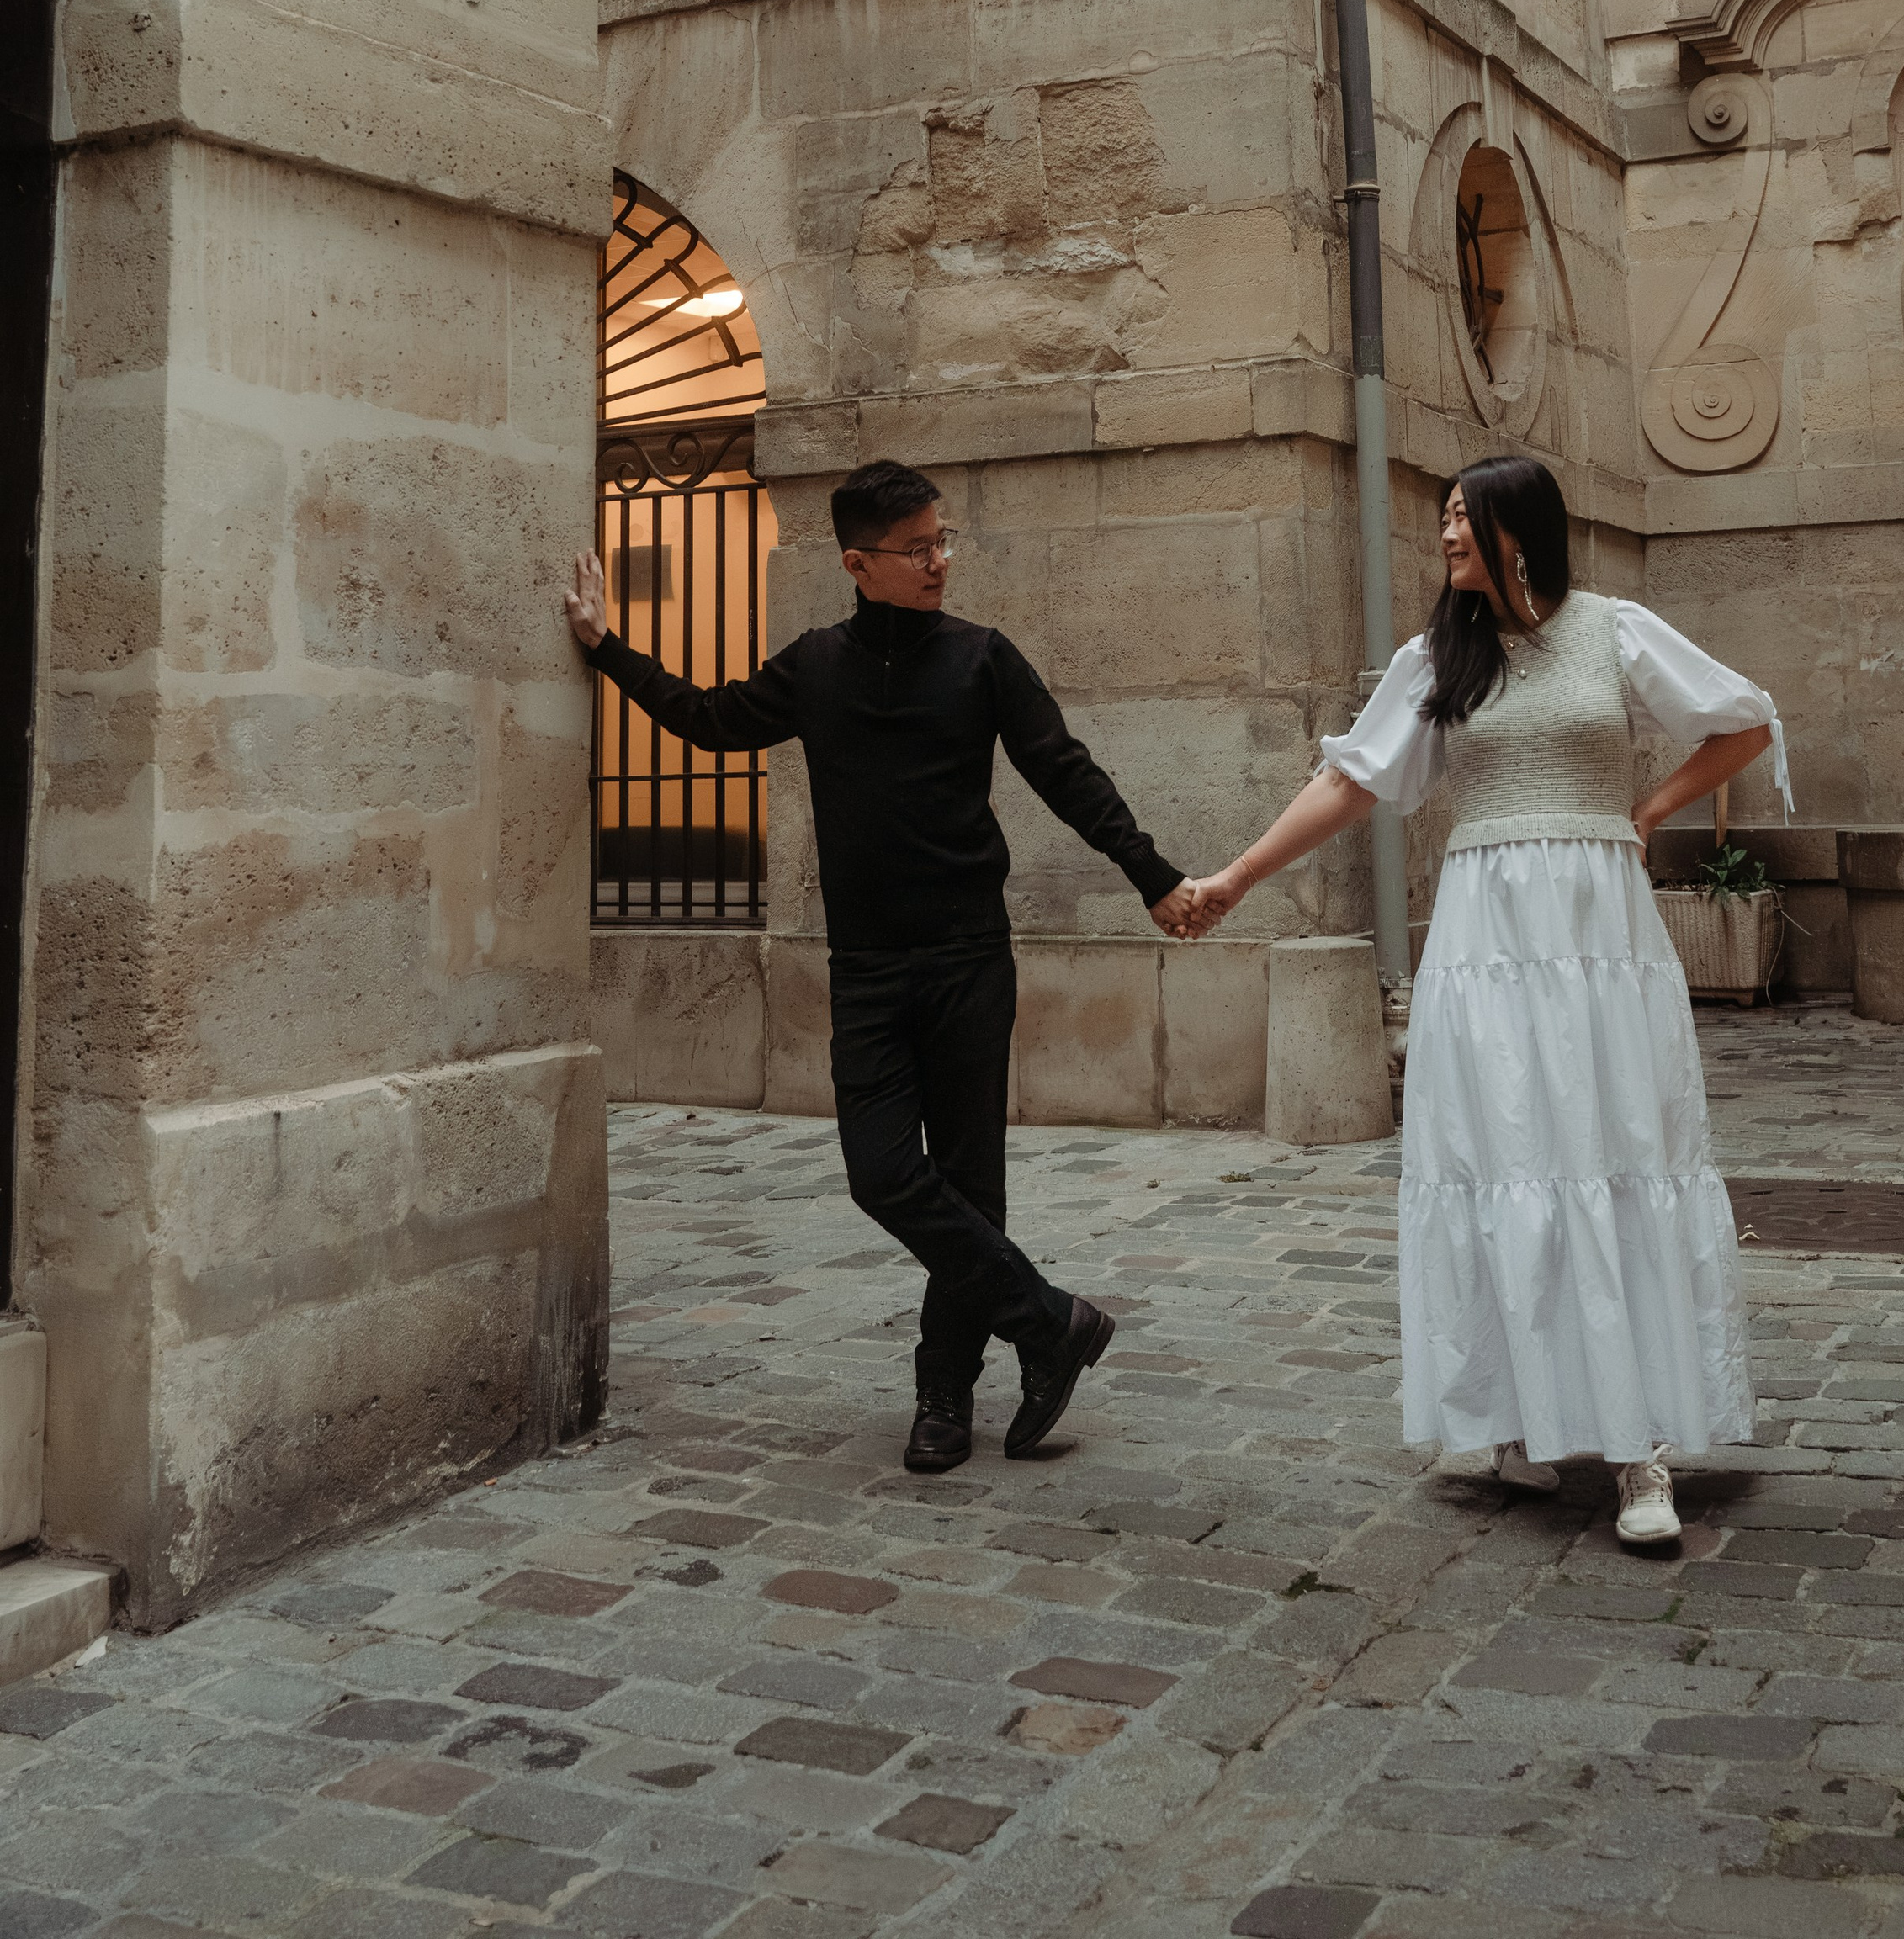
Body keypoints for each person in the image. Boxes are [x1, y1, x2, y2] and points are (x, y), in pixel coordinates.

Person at [1178, 452, 1790, 1549]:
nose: (1447, 535)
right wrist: (1236, 876)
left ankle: (1639, 1449)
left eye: (1463, 517)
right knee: (1505, 1157)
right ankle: (1518, 1419)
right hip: (1485, 934)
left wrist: (1644, 812)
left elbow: (1743, 721)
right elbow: (1351, 781)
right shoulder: (1435, 659)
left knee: (1612, 1154)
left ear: (1520, 529)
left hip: (1598, 931)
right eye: (1445, 518)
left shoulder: (1613, 629)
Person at [565, 458, 1198, 1476]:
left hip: (967, 961)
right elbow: (709, 719)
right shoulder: (816, 666)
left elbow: (1066, 774)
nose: (939, 562)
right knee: (881, 1173)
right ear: (858, 564)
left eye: (944, 542)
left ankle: (943, 1398)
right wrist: (608, 651)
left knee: (968, 1181)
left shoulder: (984, 659)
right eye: (917, 549)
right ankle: (1051, 1322)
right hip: (866, 967)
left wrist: (1153, 877)